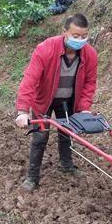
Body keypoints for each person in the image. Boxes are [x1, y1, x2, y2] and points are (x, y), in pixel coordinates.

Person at [14, 13, 98, 191]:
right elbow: (30, 80)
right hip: (44, 99)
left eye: (84, 36)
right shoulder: (46, 49)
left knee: (66, 133)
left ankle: (67, 166)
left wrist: (84, 108)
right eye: (75, 36)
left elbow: (90, 83)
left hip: (68, 100)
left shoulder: (89, 54)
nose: (80, 40)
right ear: (64, 32)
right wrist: (22, 110)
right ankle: (32, 177)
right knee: (40, 136)